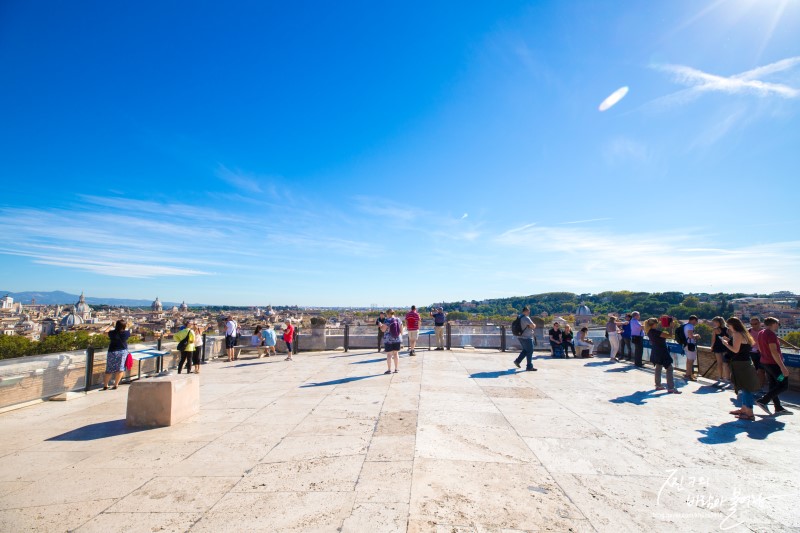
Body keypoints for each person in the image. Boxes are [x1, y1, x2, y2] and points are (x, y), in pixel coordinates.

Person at [720, 317, 759, 421]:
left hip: (741, 364)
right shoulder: (744, 333)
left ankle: (749, 413)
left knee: (746, 388)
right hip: (746, 362)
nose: (728, 328)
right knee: (744, 386)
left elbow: (735, 350)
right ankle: (744, 409)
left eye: (729, 326)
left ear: (733, 325)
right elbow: (741, 347)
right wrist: (729, 341)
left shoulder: (737, 334)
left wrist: (725, 343)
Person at [755, 317, 792, 416]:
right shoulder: (771, 335)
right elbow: (774, 352)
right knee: (783, 385)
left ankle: (778, 407)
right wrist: (782, 367)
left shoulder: (761, 333)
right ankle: (763, 400)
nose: (778, 326)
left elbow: (759, 348)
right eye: (778, 324)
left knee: (773, 384)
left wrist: (765, 357)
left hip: (765, 363)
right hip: (774, 364)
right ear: (774, 323)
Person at [644, 318, 681, 394]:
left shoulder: (649, 332)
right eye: (657, 323)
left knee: (658, 367)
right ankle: (671, 387)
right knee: (669, 368)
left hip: (655, 351)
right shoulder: (656, 332)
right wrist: (671, 327)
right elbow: (670, 336)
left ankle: (658, 385)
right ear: (654, 324)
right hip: (662, 351)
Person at [103, 320, 130, 390]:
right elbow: (128, 330)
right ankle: (116, 384)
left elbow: (104, 332)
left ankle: (105, 385)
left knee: (109, 369)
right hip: (122, 351)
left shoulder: (112, 333)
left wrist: (111, 326)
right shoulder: (126, 333)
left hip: (112, 351)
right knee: (120, 369)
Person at [512, 307, 537, 371]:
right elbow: (533, 326)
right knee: (530, 351)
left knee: (526, 350)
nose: (529, 313)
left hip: (520, 336)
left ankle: (517, 361)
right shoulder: (526, 318)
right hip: (527, 337)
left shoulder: (519, 317)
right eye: (528, 311)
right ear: (525, 311)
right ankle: (529, 366)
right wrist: (533, 325)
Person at [710, 316, 731, 387]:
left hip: (717, 347)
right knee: (726, 363)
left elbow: (713, 340)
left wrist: (712, 347)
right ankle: (727, 378)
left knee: (719, 363)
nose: (714, 324)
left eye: (715, 322)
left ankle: (720, 377)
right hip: (725, 346)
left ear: (719, 322)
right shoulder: (728, 329)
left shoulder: (715, 330)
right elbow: (730, 339)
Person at [379, 309, 402, 374]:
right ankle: (396, 369)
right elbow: (401, 329)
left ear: (388, 314)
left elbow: (383, 330)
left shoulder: (387, 320)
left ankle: (389, 370)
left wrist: (381, 326)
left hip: (388, 340)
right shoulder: (398, 319)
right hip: (397, 339)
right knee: (396, 354)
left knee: (389, 354)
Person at [748, 317, 766, 391]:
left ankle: (761, 386)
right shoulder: (749, 331)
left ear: (759, 323)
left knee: (761, 371)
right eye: (751, 324)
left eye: (755, 324)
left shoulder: (764, 331)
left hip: (762, 353)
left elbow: (776, 338)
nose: (753, 325)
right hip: (751, 353)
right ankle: (754, 385)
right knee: (752, 371)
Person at [681, 315, 700, 381]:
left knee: (689, 360)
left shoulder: (685, 325)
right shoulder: (690, 326)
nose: (696, 323)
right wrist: (696, 336)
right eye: (696, 321)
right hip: (690, 344)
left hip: (686, 344)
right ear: (693, 320)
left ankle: (689, 373)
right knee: (691, 360)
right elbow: (690, 335)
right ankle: (688, 375)